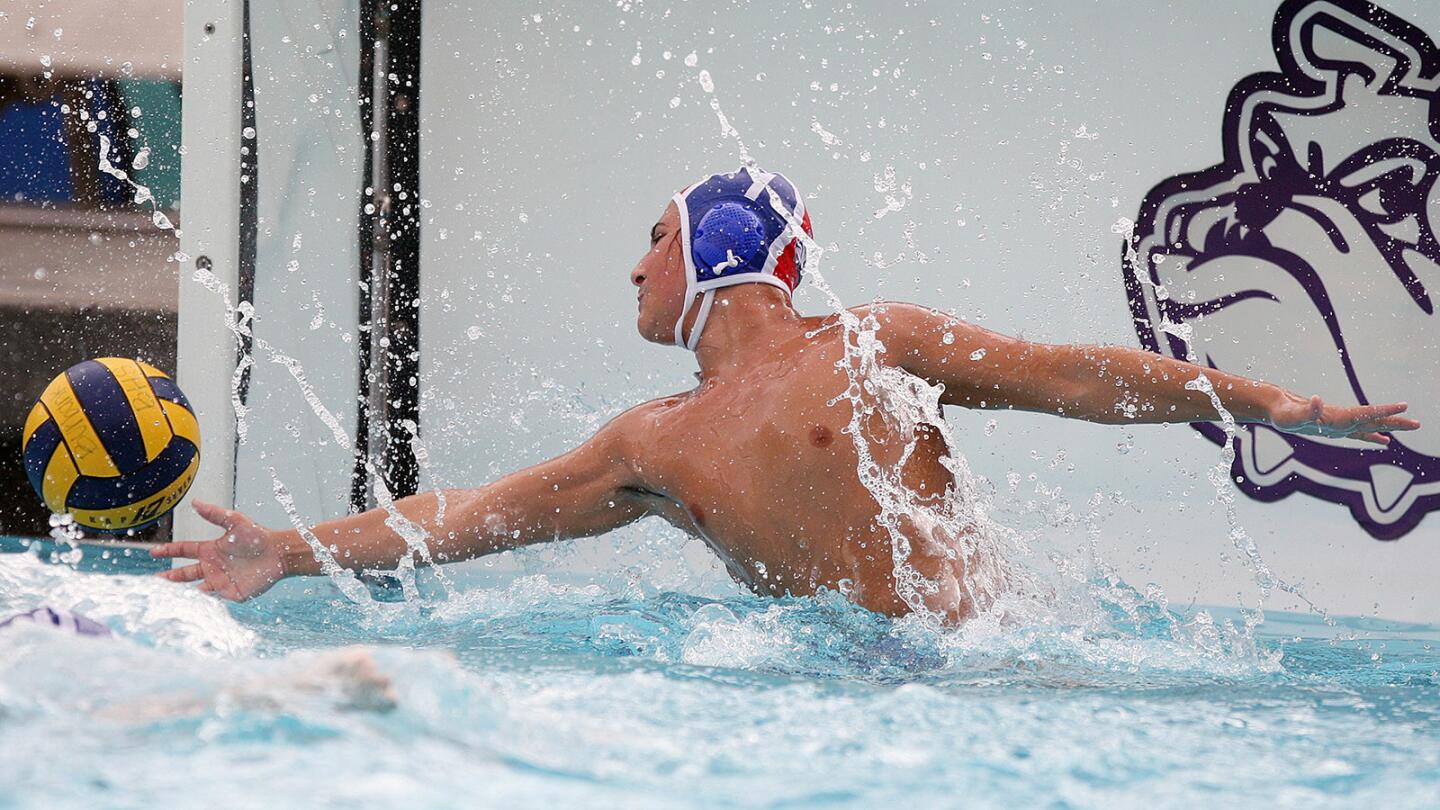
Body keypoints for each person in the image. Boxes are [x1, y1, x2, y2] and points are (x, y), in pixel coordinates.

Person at [152, 167, 1420, 623]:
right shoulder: (649, 440)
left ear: (713, 250)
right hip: (844, 690)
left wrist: (1262, 402)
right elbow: (474, 514)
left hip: (989, 663)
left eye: (655, 237)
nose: (635, 265)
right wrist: (293, 552)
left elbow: (1071, 377)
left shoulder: (873, 341)